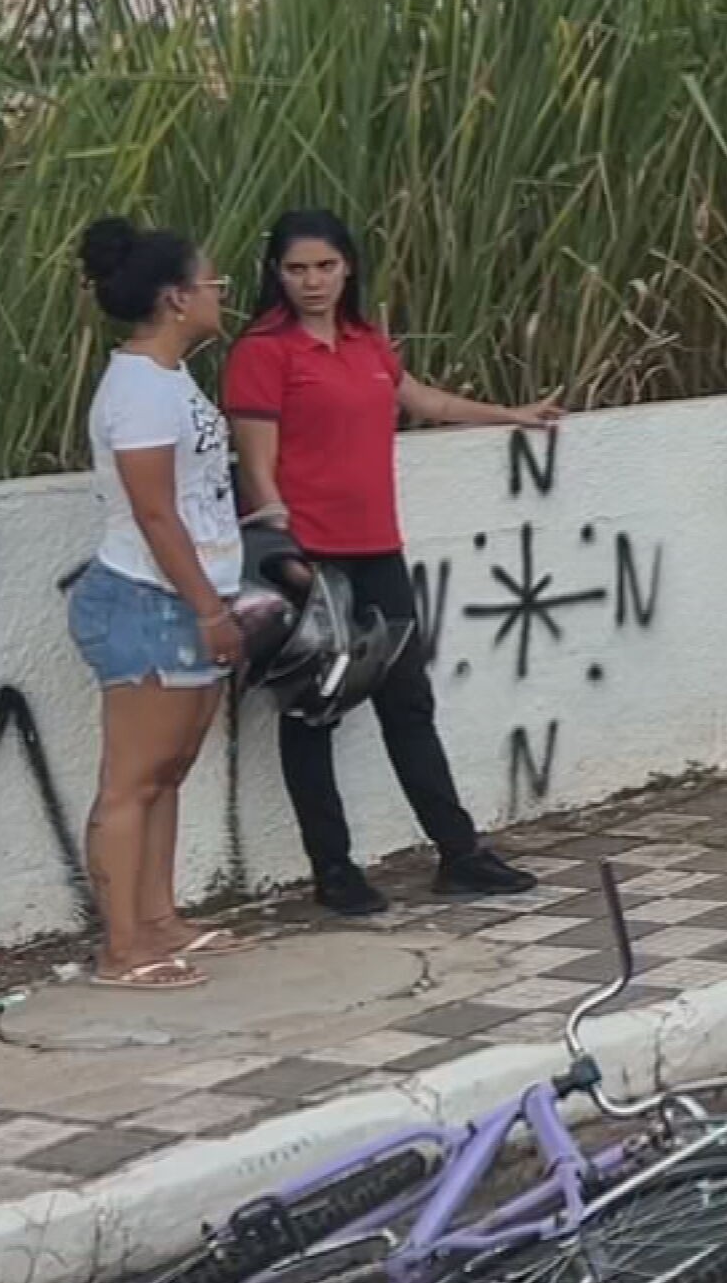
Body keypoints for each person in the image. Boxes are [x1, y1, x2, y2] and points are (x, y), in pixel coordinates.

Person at [220, 210, 547, 916]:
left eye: (325, 267)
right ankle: (333, 870)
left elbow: (421, 398)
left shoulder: (366, 340)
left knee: (409, 703)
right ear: (275, 274)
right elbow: (257, 467)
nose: (312, 281)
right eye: (296, 268)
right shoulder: (263, 350)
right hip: (310, 558)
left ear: (349, 268)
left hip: (378, 550)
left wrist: (508, 414)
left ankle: (459, 853)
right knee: (313, 710)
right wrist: (286, 559)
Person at [64, 218, 251, 991]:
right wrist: (209, 609)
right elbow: (153, 512)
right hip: (148, 602)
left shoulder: (169, 378)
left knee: (168, 772)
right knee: (131, 782)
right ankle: (121, 948)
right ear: (177, 298)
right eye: (213, 285)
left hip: (186, 596)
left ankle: (158, 918)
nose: (220, 296)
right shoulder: (139, 389)